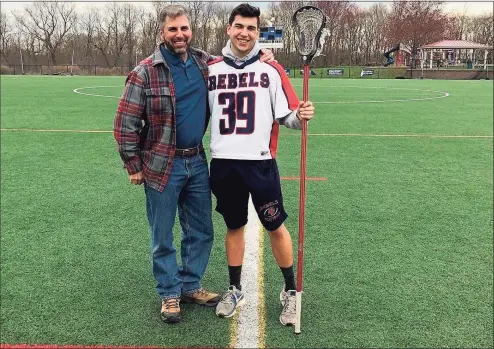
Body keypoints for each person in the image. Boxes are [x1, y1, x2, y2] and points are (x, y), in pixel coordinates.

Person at [113, 4, 273, 324]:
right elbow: (125, 124)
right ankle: (169, 293)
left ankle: (189, 284)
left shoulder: (204, 62)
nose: (180, 34)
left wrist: (261, 56)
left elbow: (235, 62)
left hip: (197, 161)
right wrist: (133, 165)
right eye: (173, 29)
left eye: (184, 28)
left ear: (191, 30)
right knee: (163, 235)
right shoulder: (145, 71)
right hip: (162, 164)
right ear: (162, 32)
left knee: (200, 230)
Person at [207, 4, 315, 327]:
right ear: (228, 28)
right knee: (234, 226)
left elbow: (288, 116)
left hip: (260, 164)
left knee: (275, 226)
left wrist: (301, 116)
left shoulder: (271, 70)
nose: (245, 33)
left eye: (252, 28)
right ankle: (235, 288)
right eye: (239, 26)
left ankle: (291, 290)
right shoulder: (210, 70)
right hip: (224, 164)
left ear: (258, 32)